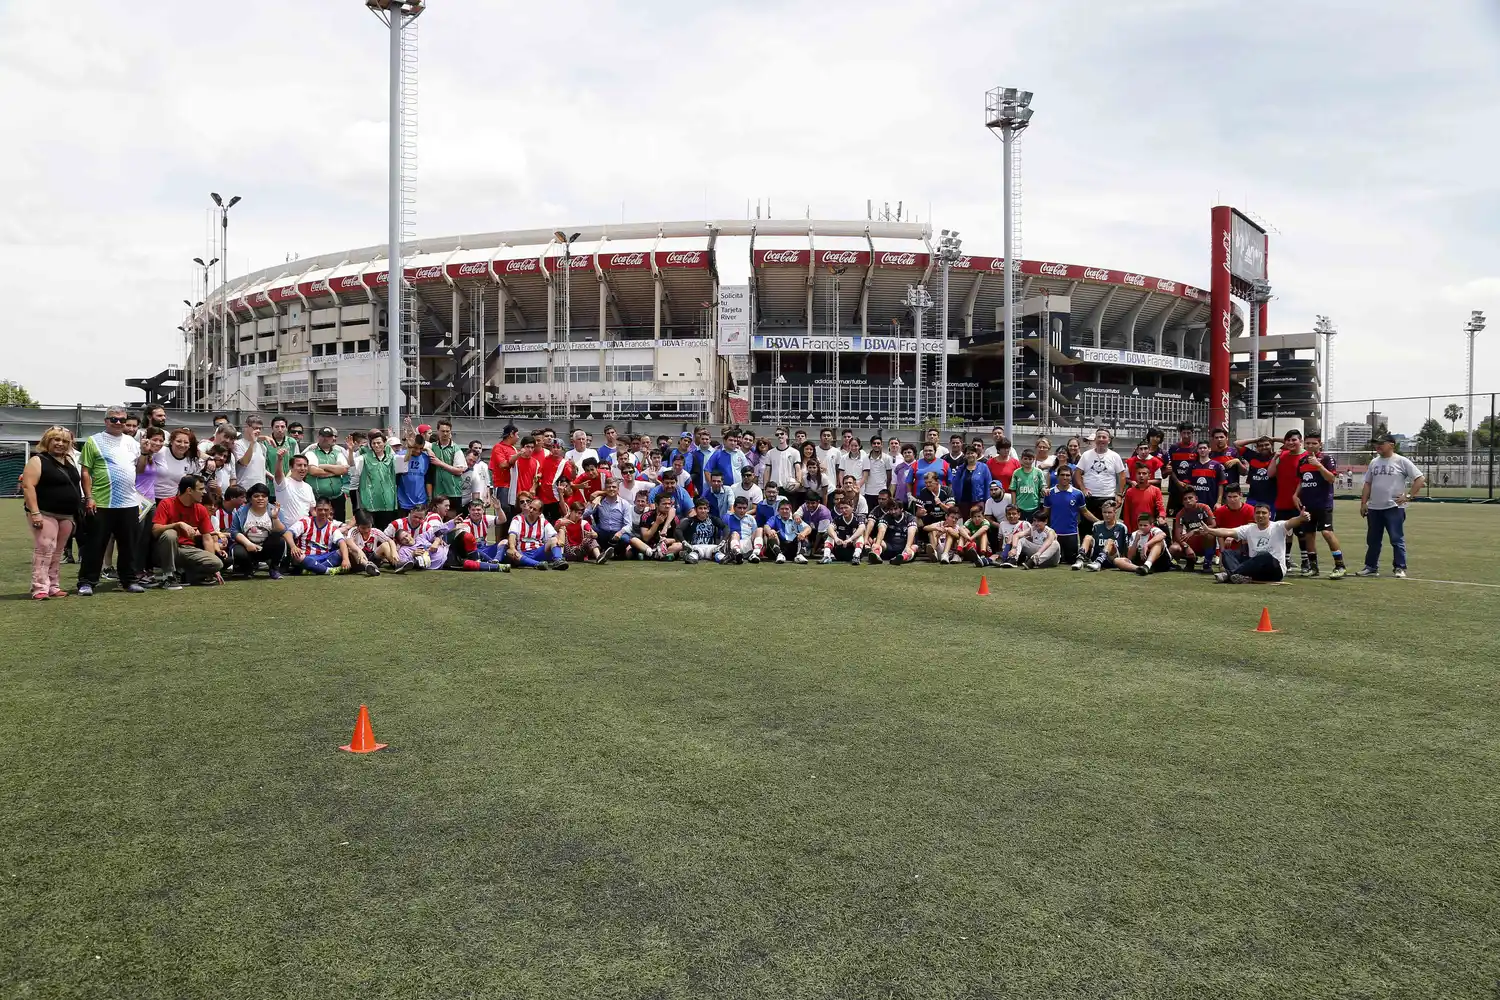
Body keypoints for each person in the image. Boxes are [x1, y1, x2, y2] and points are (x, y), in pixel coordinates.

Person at [77, 406, 145, 596]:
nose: (118, 423)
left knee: (129, 546)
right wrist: (89, 497)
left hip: (129, 502)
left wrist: (146, 453)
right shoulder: (94, 441)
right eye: (114, 419)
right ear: (106, 421)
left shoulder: (132, 442)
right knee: (95, 545)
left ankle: (129, 580)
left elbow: (139, 469)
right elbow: (85, 471)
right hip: (102, 502)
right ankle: (87, 581)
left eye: (122, 420)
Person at [21, 426, 82, 599]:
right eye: (56, 439)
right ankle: (39, 587)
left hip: (67, 514)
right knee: (45, 547)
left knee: (58, 550)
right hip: (45, 511)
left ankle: (53, 586)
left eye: (64, 441)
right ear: (47, 441)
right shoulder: (38, 460)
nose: (60, 444)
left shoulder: (69, 461)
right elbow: (28, 486)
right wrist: (35, 512)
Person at [1359, 435, 1424, 578]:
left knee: (1396, 539)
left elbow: (1420, 478)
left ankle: (1400, 568)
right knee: (1373, 540)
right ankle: (1371, 567)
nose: (1378, 446)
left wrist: (1408, 496)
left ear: (1391, 445)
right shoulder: (1374, 462)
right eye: (1376, 443)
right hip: (1375, 508)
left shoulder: (1401, 461)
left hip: (1394, 508)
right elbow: (1368, 483)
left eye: (1381, 443)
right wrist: (1364, 503)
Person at [151, 474, 226, 587]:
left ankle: (184, 574)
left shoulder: (200, 509)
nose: (204, 492)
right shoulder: (166, 503)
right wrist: (177, 524)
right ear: (189, 490)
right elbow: (155, 530)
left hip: (187, 550)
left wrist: (213, 569)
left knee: (217, 563)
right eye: (201, 489)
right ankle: (168, 576)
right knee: (170, 533)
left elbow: (207, 538)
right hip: (165, 549)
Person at [1202, 504, 1308, 583]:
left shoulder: (1278, 526)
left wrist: (1300, 518)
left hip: (1274, 570)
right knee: (1227, 553)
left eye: (1264, 513)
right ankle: (1239, 576)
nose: (1260, 515)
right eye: (1257, 513)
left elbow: (1291, 522)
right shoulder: (1249, 529)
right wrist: (1210, 531)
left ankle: (1231, 575)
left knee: (1264, 555)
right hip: (1254, 569)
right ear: (1254, 515)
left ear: (1270, 515)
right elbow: (1228, 531)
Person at [1292, 432, 1346, 579]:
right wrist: (1296, 495)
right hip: (1307, 504)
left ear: (1320, 444)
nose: (1310, 446)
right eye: (1307, 443)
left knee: (1327, 532)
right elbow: (1302, 481)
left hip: (1323, 503)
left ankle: (1340, 565)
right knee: (1309, 535)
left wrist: (1318, 465)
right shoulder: (1302, 461)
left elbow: (1331, 479)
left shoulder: (1327, 459)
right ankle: (1313, 567)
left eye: (1313, 443)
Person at [285, 496, 372, 576]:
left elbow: (342, 542)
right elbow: (288, 534)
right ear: (315, 510)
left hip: (325, 558)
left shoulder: (332, 527)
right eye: (320, 510)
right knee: (298, 556)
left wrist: (345, 559)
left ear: (330, 510)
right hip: (306, 557)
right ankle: (328, 571)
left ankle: (314, 570)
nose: (323, 513)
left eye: (326, 510)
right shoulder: (305, 521)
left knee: (343, 550)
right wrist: (293, 547)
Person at [229, 484, 287, 578]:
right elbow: (234, 531)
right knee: (238, 550)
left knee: (279, 541)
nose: (260, 498)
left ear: (268, 498)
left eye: (264, 496)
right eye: (256, 496)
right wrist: (248, 544)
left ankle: (274, 569)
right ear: (250, 499)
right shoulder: (241, 511)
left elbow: (282, 531)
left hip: (266, 547)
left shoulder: (274, 510)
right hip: (248, 547)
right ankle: (247, 569)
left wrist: (275, 518)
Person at [1043, 465, 1091, 566]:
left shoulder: (1078, 494)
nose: (1065, 477)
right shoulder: (1049, 493)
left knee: (1071, 561)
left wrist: (1099, 521)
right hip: (1054, 535)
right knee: (1054, 562)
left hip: (1071, 534)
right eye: (1062, 475)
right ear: (1057, 477)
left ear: (1071, 476)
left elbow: (1085, 512)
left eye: (1067, 475)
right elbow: (1045, 514)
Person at [506, 495, 569, 570]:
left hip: (538, 551)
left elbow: (554, 535)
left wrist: (560, 538)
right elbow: (512, 535)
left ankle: (558, 561)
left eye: (534, 509)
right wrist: (512, 548)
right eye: (530, 507)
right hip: (522, 553)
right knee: (509, 552)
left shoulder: (543, 522)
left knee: (554, 539)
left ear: (539, 513)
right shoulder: (517, 519)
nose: (531, 510)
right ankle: (537, 564)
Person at [1077, 428, 1127, 522]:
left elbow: (1122, 475)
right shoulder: (1086, 455)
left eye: (1104, 437)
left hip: (1107, 496)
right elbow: (1077, 473)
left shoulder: (1115, 456)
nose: (1101, 439)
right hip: (1089, 497)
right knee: (1086, 529)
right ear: (1095, 439)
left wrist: (1119, 494)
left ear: (1109, 440)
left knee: (1107, 527)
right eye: (1098, 437)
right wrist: (1083, 488)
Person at [356, 430, 399, 531]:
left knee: (387, 532)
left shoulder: (392, 457)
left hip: (388, 502)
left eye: (379, 442)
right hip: (370, 503)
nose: (376, 445)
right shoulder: (364, 457)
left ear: (384, 443)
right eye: (373, 443)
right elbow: (352, 465)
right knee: (371, 531)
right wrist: (350, 451)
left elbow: (404, 464)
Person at [1169, 489, 1217, 572]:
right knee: (1174, 548)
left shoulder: (1204, 508)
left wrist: (1195, 531)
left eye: (1190, 498)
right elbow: (1178, 534)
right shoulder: (1180, 514)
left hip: (1203, 539)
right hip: (1190, 541)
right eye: (1185, 499)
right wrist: (1186, 547)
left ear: (1196, 499)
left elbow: (1213, 525)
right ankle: (1189, 561)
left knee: (1210, 534)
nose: (1188, 501)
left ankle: (1207, 563)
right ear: (1182, 502)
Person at [1075, 498, 1128, 571]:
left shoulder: (1122, 527)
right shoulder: (1096, 526)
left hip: (1113, 558)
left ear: (1115, 513)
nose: (1106, 515)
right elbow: (1093, 544)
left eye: (1109, 512)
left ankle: (1098, 563)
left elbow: (1125, 548)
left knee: (1110, 541)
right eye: (1104, 512)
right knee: (1088, 537)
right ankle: (1079, 560)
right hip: (1096, 557)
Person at [867, 491, 918, 565]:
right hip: (889, 547)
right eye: (891, 509)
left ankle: (902, 558)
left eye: (895, 509)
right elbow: (882, 529)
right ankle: (876, 556)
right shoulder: (886, 516)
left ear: (901, 509)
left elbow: (912, 531)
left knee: (914, 546)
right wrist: (877, 544)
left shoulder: (910, 517)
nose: (893, 512)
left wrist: (907, 547)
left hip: (904, 547)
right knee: (876, 540)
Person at [394, 425, 432, 515]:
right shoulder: (400, 456)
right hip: (403, 501)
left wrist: (430, 498)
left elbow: (427, 479)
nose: (418, 451)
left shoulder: (426, 458)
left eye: (421, 448)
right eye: (415, 448)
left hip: (421, 501)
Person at [677, 497, 727, 564]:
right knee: (694, 553)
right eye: (700, 508)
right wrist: (684, 542)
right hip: (695, 547)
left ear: (708, 509)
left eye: (705, 508)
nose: (703, 511)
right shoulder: (690, 521)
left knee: (718, 554)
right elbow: (678, 529)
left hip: (711, 547)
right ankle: (691, 559)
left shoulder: (713, 519)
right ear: (695, 509)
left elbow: (726, 527)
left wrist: (723, 540)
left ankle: (724, 559)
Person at [274, 452, 316, 529]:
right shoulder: (284, 483)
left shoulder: (308, 487)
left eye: (305, 465)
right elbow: (278, 475)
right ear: (291, 467)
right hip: (286, 529)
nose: (303, 468)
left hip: (304, 531)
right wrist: (280, 459)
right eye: (299, 465)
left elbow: (312, 511)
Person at [948, 445, 993, 516]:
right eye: (968, 453)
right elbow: (955, 485)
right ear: (965, 455)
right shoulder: (961, 468)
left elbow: (988, 485)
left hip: (978, 502)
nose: (970, 455)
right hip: (963, 502)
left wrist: (987, 502)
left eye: (972, 453)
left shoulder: (983, 467)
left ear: (976, 454)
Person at [1165, 422, 1198, 515]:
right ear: (1180, 433)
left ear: (1192, 433)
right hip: (1175, 487)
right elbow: (1169, 468)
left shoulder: (1196, 448)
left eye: (1188, 433)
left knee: (1192, 516)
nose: (1186, 435)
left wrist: (1189, 483)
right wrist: (1177, 482)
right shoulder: (1173, 448)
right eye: (1184, 433)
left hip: (1190, 488)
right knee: (1174, 517)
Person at [1121, 463, 1167, 531]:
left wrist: (1161, 517)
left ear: (1149, 476)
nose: (1141, 476)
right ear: (1135, 475)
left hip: (1150, 529)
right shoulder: (1129, 492)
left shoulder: (1156, 490)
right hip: (1134, 530)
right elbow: (1126, 513)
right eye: (1139, 473)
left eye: (1144, 473)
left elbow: (1160, 507)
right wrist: (1128, 530)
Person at [488, 425, 520, 518]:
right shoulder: (498, 447)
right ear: (511, 434)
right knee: (503, 511)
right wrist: (517, 456)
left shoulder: (513, 449)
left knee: (512, 511)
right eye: (517, 435)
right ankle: (501, 532)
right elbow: (503, 465)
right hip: (502, 485)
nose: (518, 438)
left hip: (513, 485)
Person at [639, 494, 683, 560]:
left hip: (666, 546)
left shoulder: (674, 518)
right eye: (664, 504)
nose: (667, 506)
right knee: (633, 540)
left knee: (680, 545)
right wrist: (657, 523)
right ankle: (657, 554)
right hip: (649, 546)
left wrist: (668, 540)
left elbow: (679, 539)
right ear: (656, 505)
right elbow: (645, 538)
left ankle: (656, 555)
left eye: (669, 504)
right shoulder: (646, 516)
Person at [233, 415, 269, 496]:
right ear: (247, 427)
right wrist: (252, 443)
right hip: (244, 489)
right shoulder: (238, 444)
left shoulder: (262, 446)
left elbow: (262, 468)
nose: (258, 431)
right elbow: (244, 462)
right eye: (255, 428)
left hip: (260, 489)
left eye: (260, 428)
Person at [825, 496, 866, 564]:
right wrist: (836, 538)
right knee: (830, 535)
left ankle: (856, 557)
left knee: (859, 536)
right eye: (841, 508)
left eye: (846, 508)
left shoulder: (858, 518)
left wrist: (850, 539)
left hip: (853, 549)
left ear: (852, 508)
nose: (844, 510)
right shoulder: (838, 519)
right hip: (840, 550)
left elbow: (862, 528)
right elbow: (830, 528)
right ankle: (826, 556)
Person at [1009, 449, 1045, 522]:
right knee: (1021, 528)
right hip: (1020, 506)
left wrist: (1044, 490)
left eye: (1030, 459)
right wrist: (1014, 505)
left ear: (1033, 459)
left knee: (1034, 528)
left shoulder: (1038, 472)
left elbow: (1042, 486)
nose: (1028, 461)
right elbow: (1013, 490)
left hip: (1034, 506)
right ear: (1021, 459)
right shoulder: (1016, 473)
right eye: (1025, 459)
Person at [861, 436, 893, 510]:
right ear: (871, 445)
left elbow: (889, 477)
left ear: (881, 445)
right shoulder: (865, 458)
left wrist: (885, 488)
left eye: (878, 443)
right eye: (874, 443)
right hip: (869, 492)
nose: (876, 445)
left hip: (882, 492)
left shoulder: (887, 458)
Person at [992, 504, 1025, 568]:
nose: (1011, 516)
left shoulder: (1024, 524)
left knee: (1012, 536)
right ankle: (983, 561)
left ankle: (1006, 559)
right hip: (1005, 550)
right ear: (1006, 515)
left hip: (1018, 552)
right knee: (993, 556)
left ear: (1019, 515)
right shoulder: (1002, 524)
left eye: (1014, 514)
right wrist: (1001, 550)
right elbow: (1000, 540)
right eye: (1009, 514)